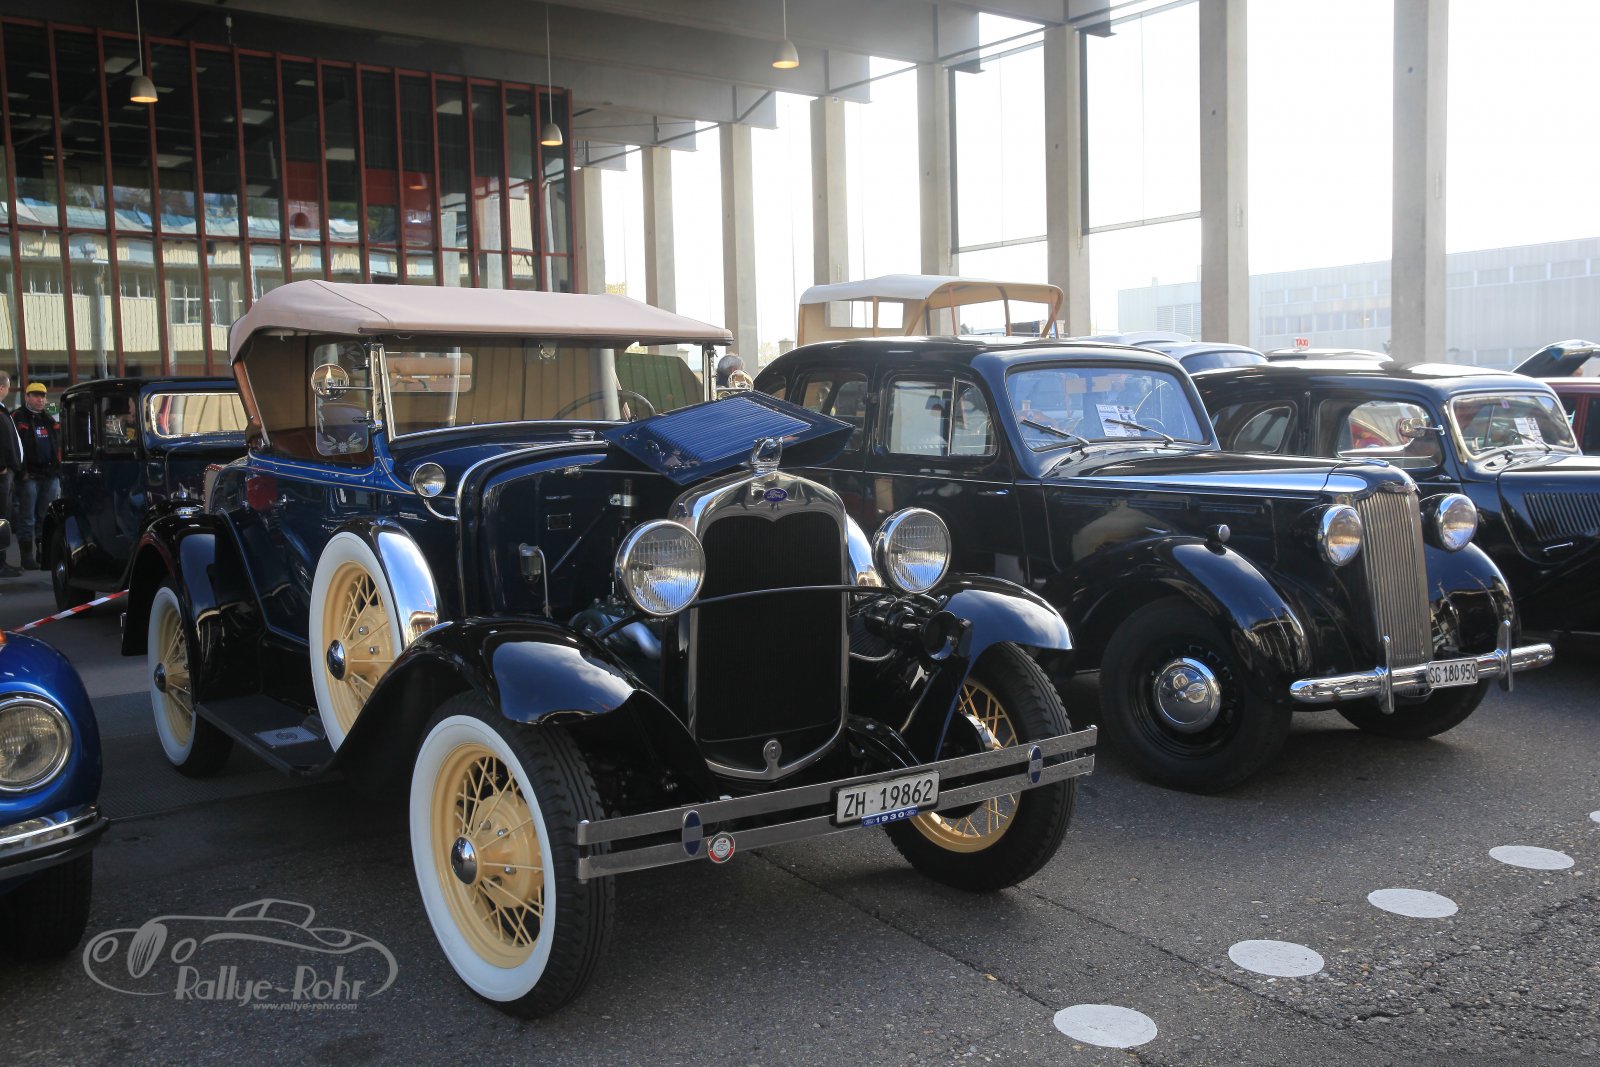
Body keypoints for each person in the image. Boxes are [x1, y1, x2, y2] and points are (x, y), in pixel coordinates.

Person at [13, 382, 62, 571]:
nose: (40, 399)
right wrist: (21, 472)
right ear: (27, 397)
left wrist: (57, 469)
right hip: (29, 476)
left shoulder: (49, 418)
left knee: (44, 517)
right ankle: (26, 557)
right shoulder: (17, 417)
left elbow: (58, 443)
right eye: (35, 395)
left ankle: (43, 554)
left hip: (49, 475)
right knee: (27, 518)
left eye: (42, 396)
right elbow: (14, 446)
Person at [0, 372, 22, 577]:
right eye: (8, 387)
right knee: (1, 519)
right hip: (2, 473)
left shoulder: (2, 410)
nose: (9, 390)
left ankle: (2, 561)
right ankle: (0, 563)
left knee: (4, 518)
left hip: (7, 472)